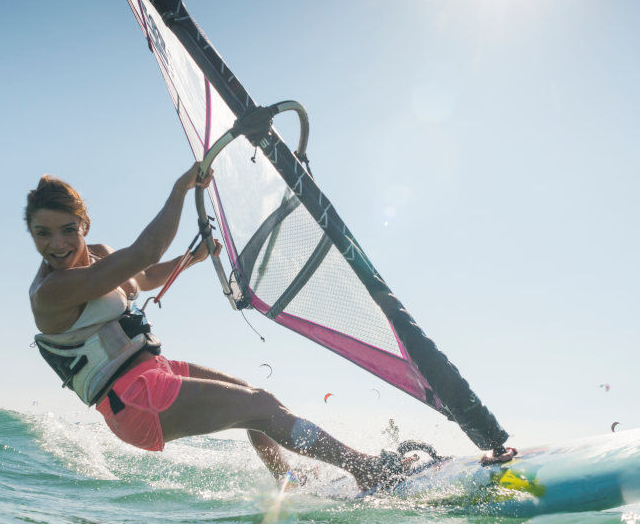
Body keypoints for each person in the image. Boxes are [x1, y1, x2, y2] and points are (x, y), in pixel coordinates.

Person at [25, 162, 399, 491]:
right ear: (31, 234)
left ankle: (289, 482)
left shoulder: (98, 256)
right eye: (43, 233)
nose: (56, 244)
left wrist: (191, 259)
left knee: (257, 400)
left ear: (84, 225)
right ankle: (367, 470)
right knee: (262, 407)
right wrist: (181, 188)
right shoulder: (52, 292)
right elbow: (144, 251)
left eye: (67, 230)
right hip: (134, 402)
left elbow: (142, 275)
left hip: (154, 374)